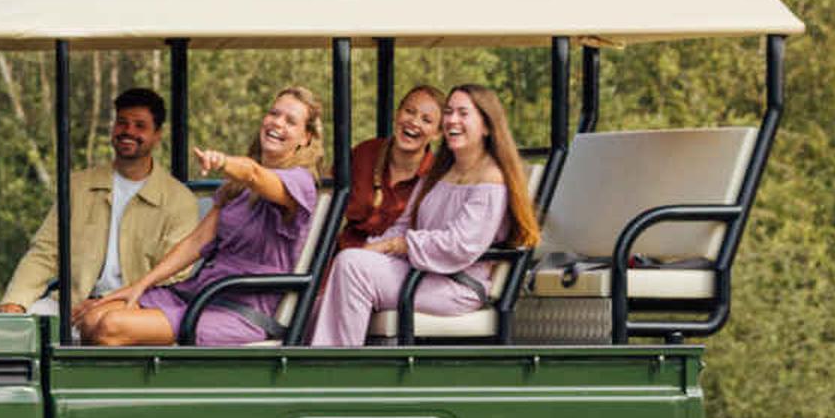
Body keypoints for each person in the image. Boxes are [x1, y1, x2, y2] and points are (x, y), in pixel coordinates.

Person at [77, 86, 326, 346]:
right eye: (274, 113)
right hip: (201, 293)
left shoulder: (300, 183)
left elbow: (254, 174)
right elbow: (196, 242)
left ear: (305, 138)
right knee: (93, 318)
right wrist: (140, 284)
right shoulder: (236, 188)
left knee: (110, 327)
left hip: (239, 309)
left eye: (290, 121)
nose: (277, 123)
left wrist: (222, 163)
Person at [308, 83, 539, 346]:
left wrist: (397, 245)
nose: (453, 119)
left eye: (463, 114)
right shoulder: (441, 172)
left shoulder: (491, 180)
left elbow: (460, 245)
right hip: (423, 273)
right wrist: (371, 248)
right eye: (449, 112)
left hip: (455, 285)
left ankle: (337, 372)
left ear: (486, 126)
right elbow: (407, 223)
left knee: (353, 267)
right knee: (329, 287)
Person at [0, 88, 202, 317]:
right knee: (17, 333)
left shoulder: (179, 200)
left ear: (157, 135)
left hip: (138, 311)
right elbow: (46, 252)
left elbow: (172, 276)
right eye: (122, 123)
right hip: (70, 307)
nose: (128, 131)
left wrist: (105, 305)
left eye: (140, 126)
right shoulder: (78, 186)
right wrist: (15, 302)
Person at [332, 83, 445, 260]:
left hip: (397, 264)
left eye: (426, 120)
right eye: (409, 111)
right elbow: (327, 201)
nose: (414, 122)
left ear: (438, 133)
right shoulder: (365, 153)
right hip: (343, 254)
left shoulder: (436, 178)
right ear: (397, 114)